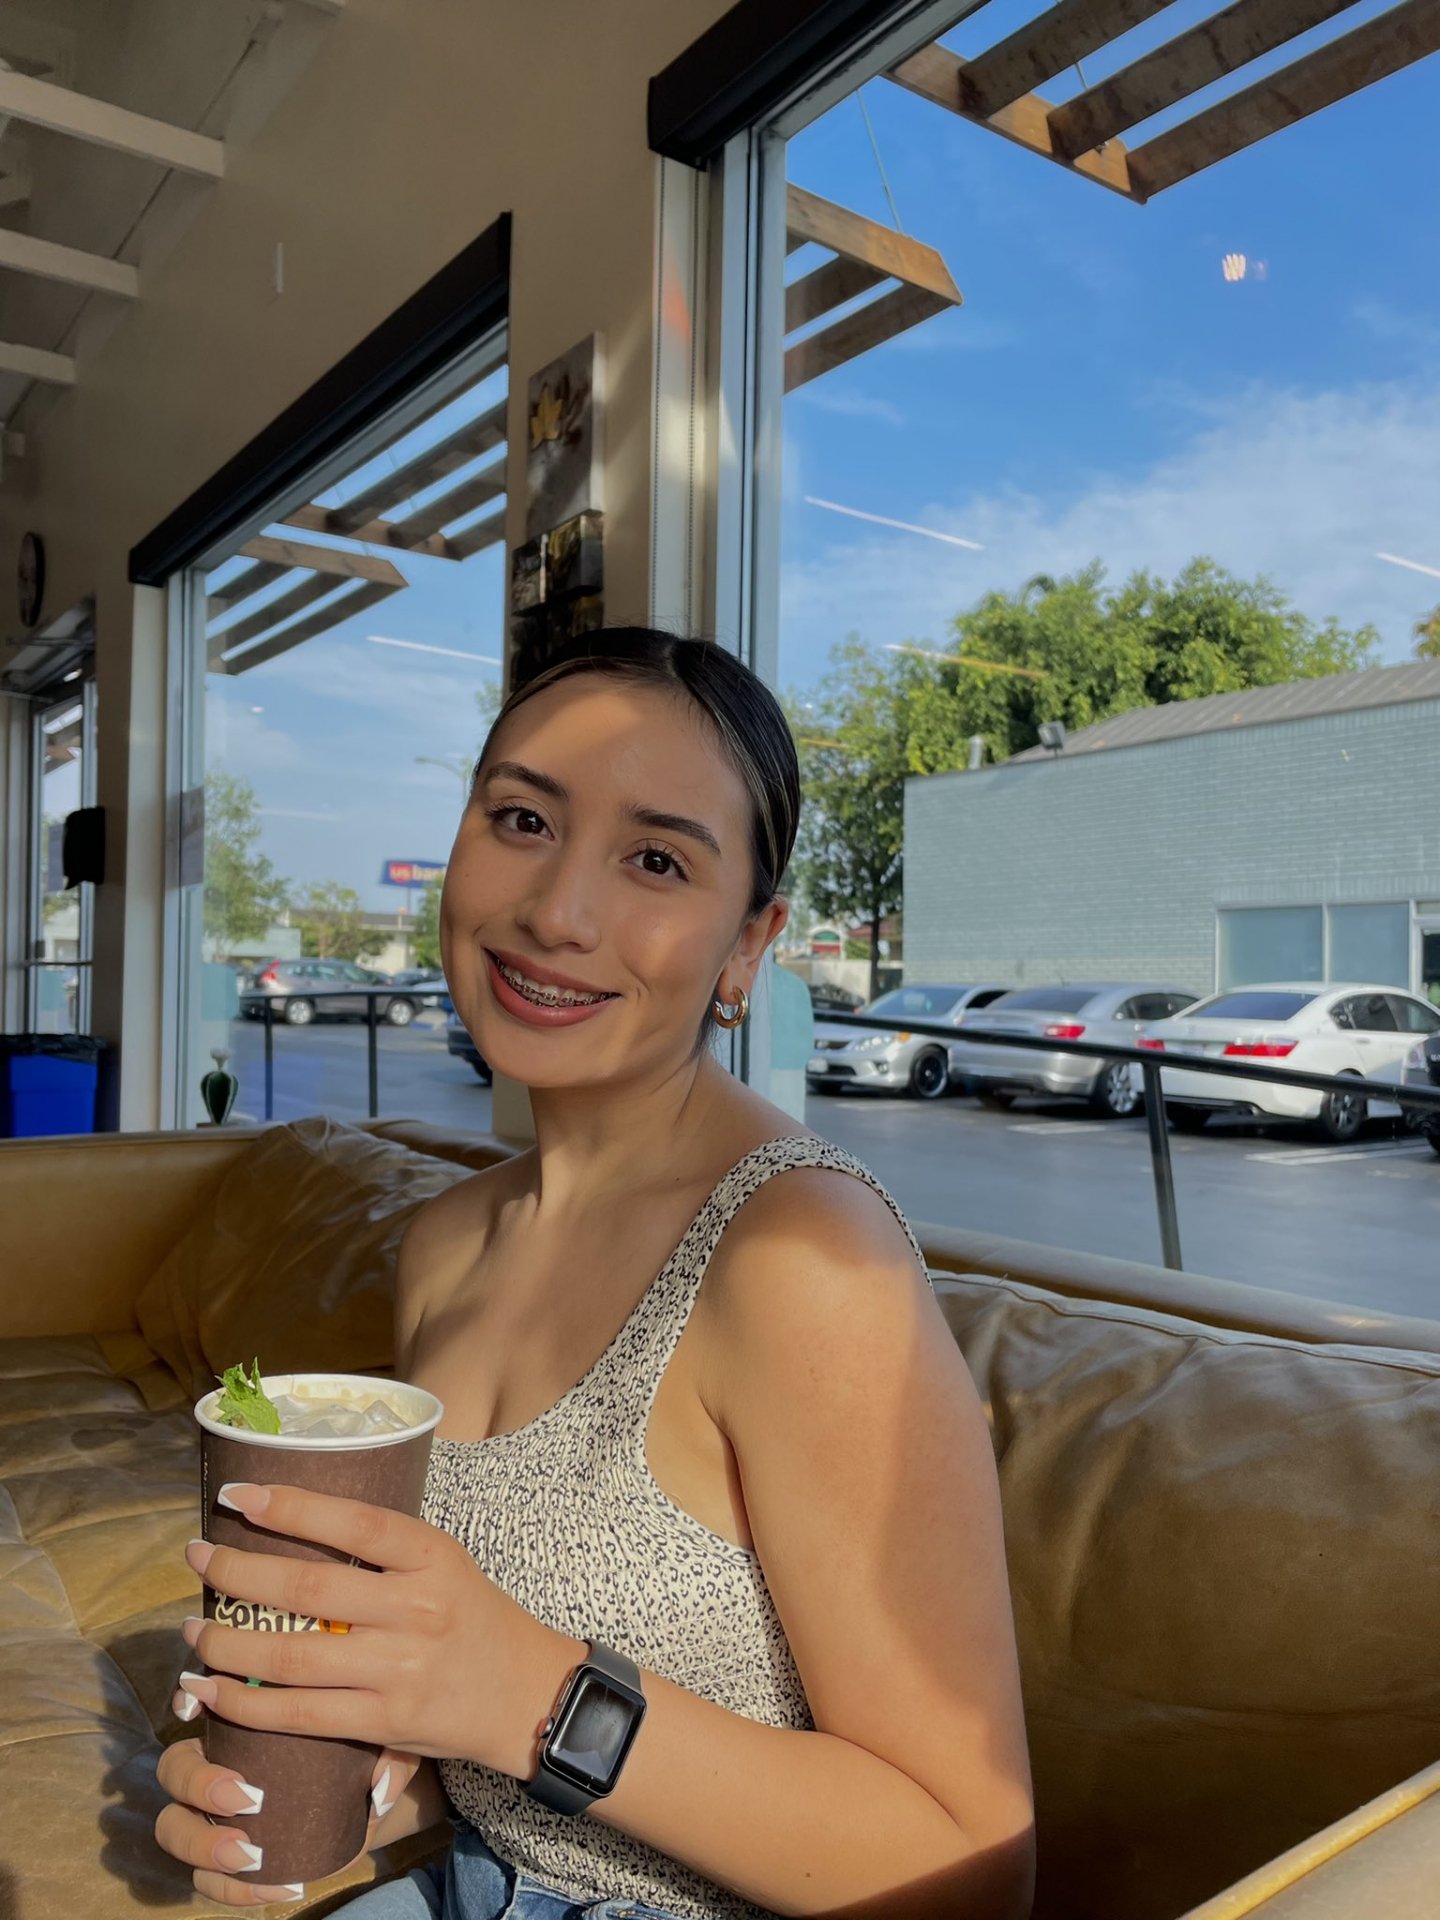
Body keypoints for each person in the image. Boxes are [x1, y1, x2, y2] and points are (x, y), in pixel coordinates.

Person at [154, 630, 1034, 1920]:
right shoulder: (445, 1241)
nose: (557, 913)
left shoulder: (802, 1257)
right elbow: (483, 1738)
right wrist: (357, 1771)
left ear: (748, 946)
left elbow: (974, 1869)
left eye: (658, 860)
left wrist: (526, 1696)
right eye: (522, 820)